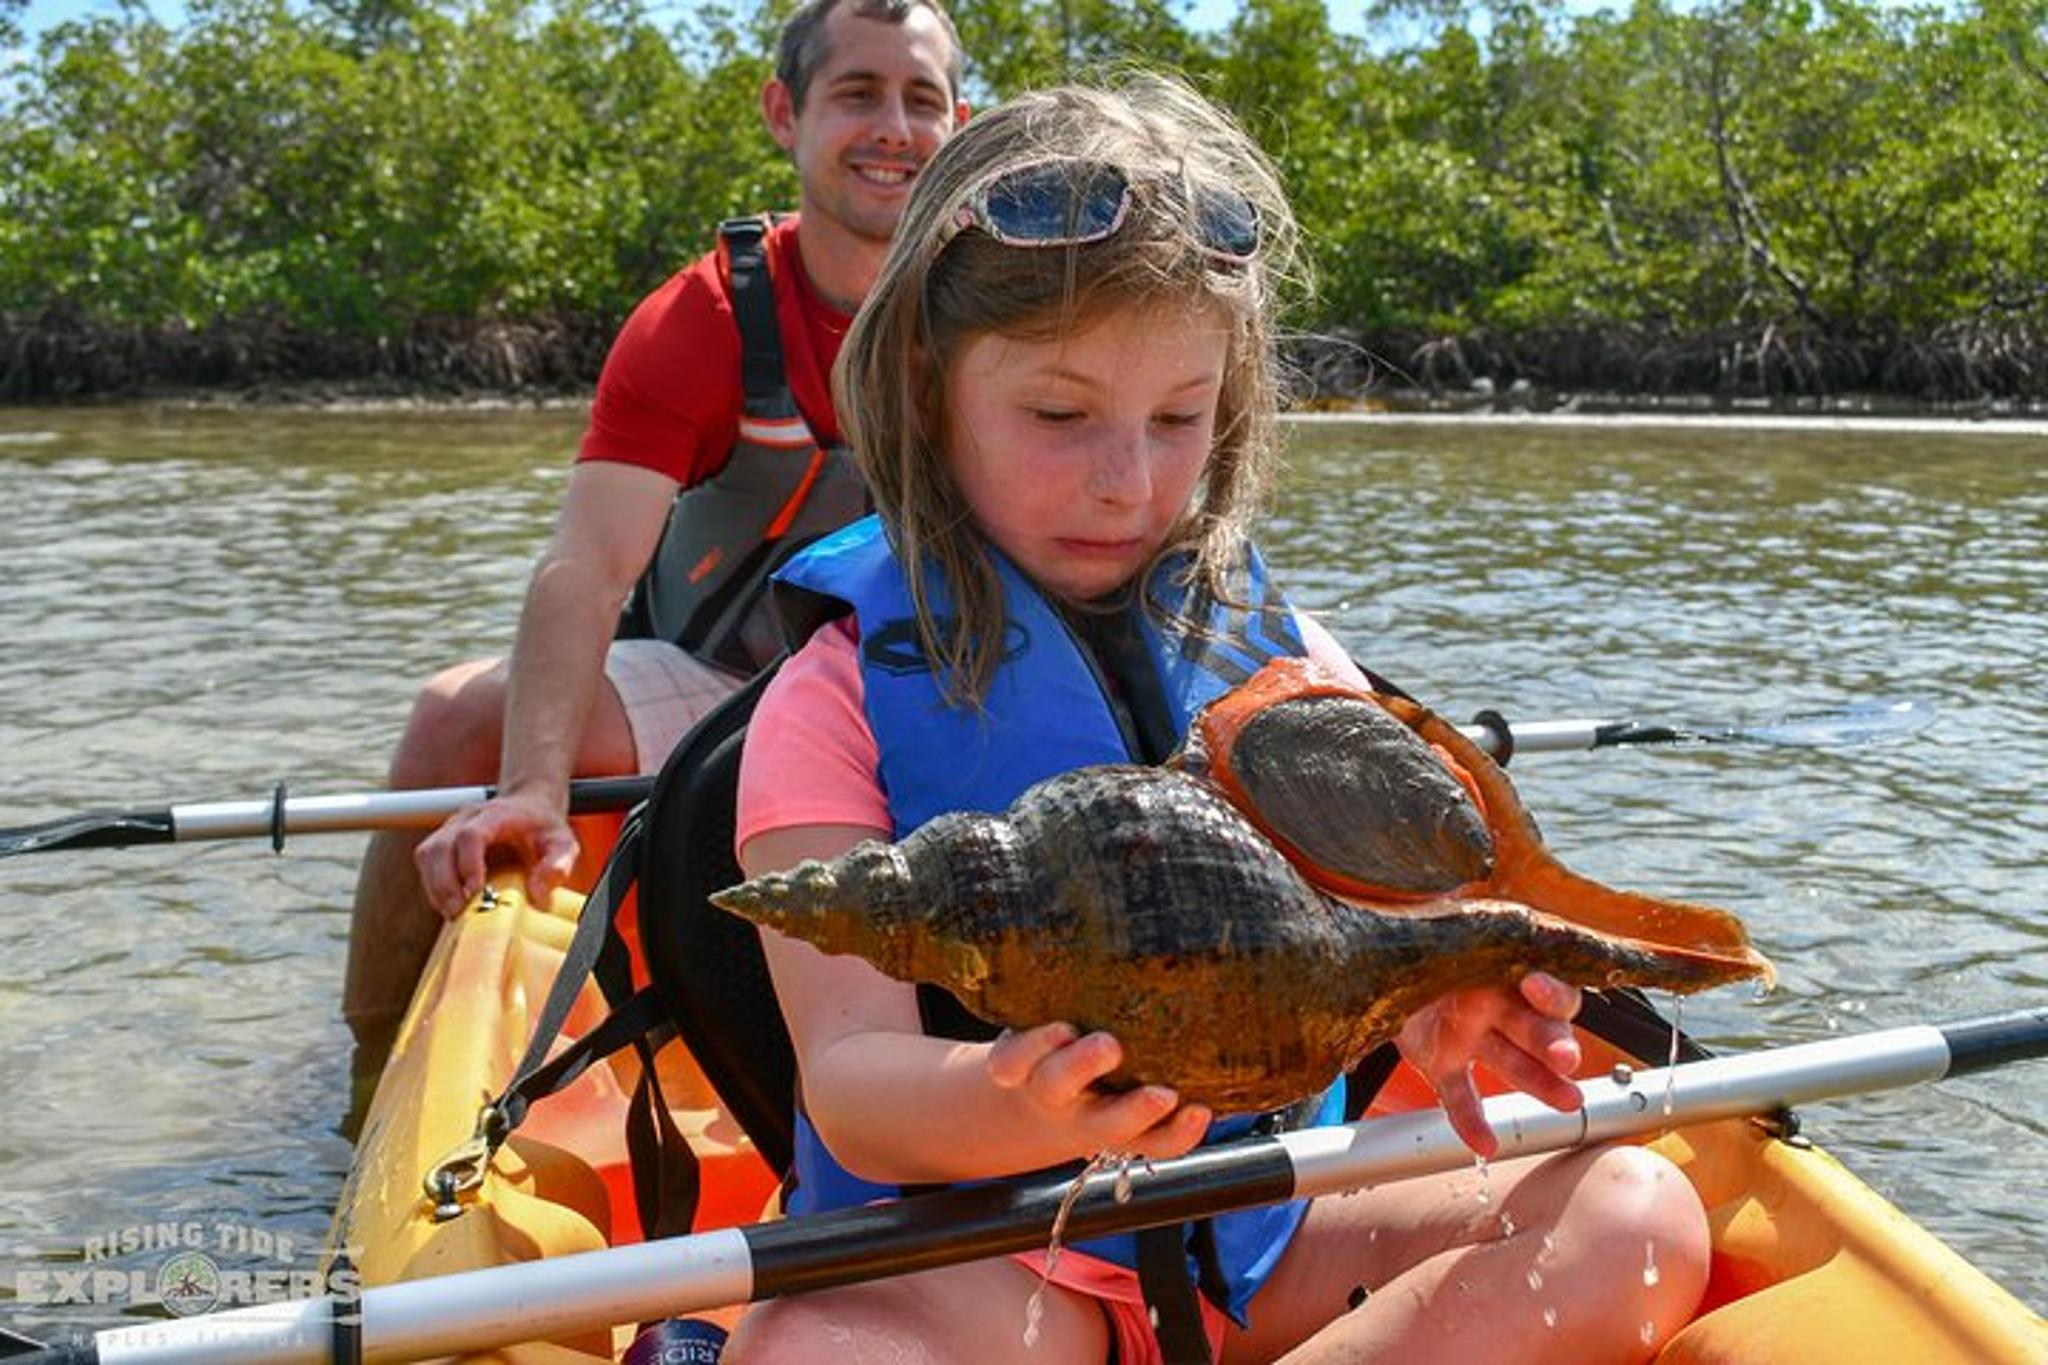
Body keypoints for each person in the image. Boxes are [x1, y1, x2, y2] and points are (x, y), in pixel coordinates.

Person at [723, 76, 1711, 1364]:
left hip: (1256, 1233)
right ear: (924, 390)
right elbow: (854, 1092)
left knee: (1634, 1215)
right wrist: (1028, 1102)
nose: (1125, 479)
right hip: (975, 1252)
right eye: (1058, 415)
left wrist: (1428, 1008)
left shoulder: (1289, 667)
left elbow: (1386, 939)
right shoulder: (830, 697)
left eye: (1178, 418)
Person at [340, 0, 970, 1062]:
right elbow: (587, 565)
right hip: (733, 694)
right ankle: (366, 1060)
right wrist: (537, 792)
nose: (893, 131)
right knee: (456, 716)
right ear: (785, 113)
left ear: (961, 122)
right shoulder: (703, 320)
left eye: (921, 99)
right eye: (855, 94)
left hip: (943, 691)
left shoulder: (1001, 301)